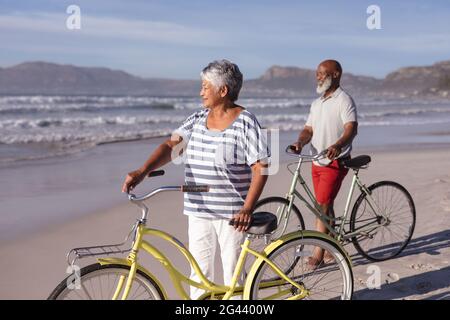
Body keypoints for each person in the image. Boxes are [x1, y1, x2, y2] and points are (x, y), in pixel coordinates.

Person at [121, 59, 269, 299]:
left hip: (232, 214)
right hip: (198, 209)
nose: (201, 92)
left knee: (234, 279)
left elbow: (261, 167)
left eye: (205, 87)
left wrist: (247, 208)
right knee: (199, 276)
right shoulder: (198, 118)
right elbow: (171, 146)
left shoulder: (246, 122)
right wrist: (142, 171)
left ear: (223, 90)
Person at [290, 59, 358, 265]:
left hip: (336, 160)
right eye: (317, 73)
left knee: (322, 206)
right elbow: (308, 130)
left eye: (322, 73)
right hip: (316, 160)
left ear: (335, 74)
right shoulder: (317, 103)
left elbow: (351, 128)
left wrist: (337, 145)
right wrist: (300, 142)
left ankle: (319, 253)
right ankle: (333, 244)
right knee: (324, 204)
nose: (318, 77)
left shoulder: (344, 100)